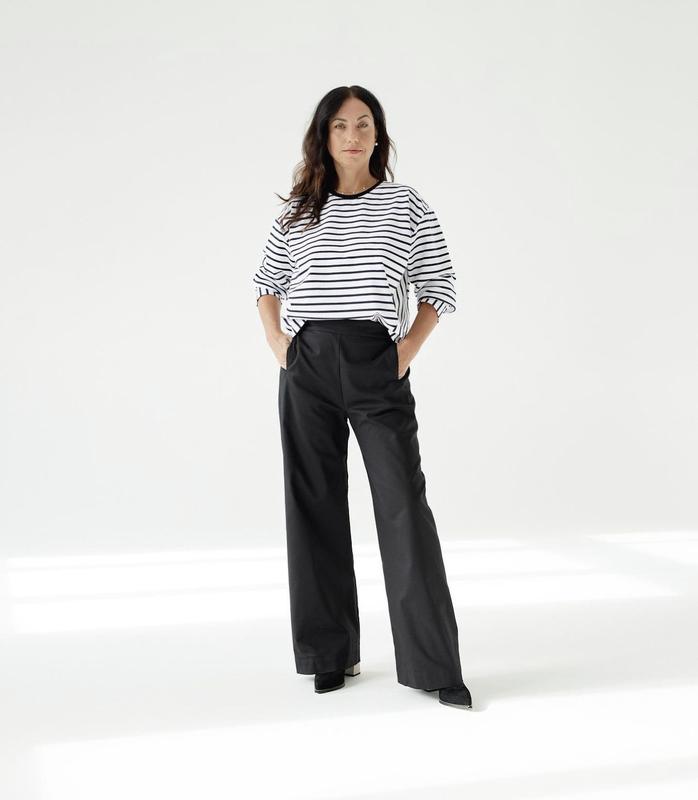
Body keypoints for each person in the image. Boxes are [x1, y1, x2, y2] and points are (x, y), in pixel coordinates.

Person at [253, 85, 472, 710]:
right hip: (308, 364)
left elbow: (439, 284)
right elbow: (266, 283)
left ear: (379, 135)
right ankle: (328, 654)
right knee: (313, 504)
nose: (353, 135)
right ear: (324, 136)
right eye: (341, 125)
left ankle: (434, 665)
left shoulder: (406, 205)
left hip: (377, 361)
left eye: (364, 124)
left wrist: (405, 351)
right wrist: (279, 344)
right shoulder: (300, 212)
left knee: (403, 506)